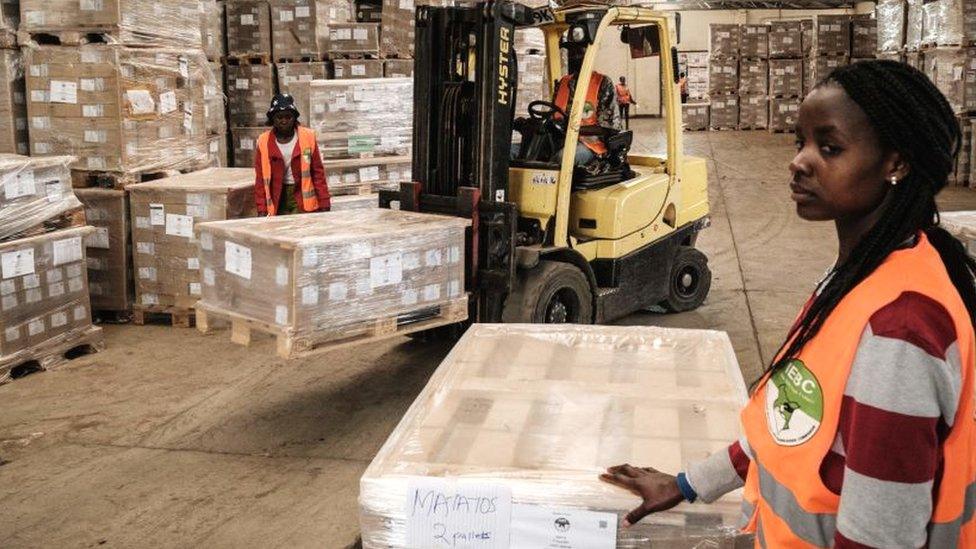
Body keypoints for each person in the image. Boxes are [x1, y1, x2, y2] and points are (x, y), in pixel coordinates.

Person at [600, 60, 976, 547]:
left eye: (830, 147)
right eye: (800, 142)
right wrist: (686, 484)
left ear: (896, 163)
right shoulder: (860, 276)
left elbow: (879, 537)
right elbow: (792, 424)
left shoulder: (899, 331)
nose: (799, 161)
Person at [254, 94, 330, 216]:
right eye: (279, 117)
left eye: (288, 117)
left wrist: (324, 202)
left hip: (301, 196)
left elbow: (318, 173)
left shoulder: (307, 137)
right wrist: (261, 208)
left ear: (294, 117)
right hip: (277, 196)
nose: (284, 121)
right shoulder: (263, 142)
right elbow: (260, 179)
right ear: (273, 119)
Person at [551, 41, 621, 166]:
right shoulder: (563, 82)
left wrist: (573, 130)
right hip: (558, 140)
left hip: (590, 145)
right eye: (572, 52)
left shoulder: (603, 83)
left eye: (579, 52)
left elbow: (609, 127)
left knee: (562, 159)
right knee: (514, 152)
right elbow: (552, 115)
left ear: (589, 55)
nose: (574, 56)